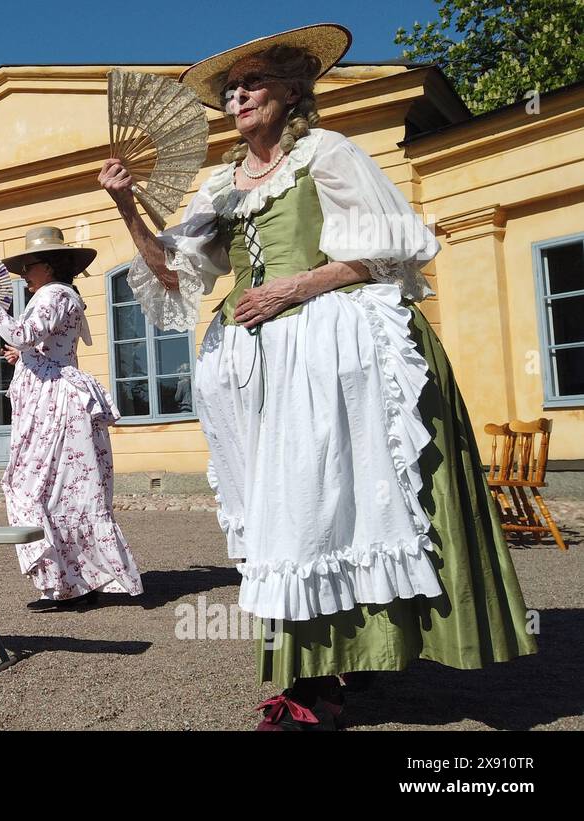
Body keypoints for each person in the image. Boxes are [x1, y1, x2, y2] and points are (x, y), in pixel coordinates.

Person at [100, 23, 536, 729]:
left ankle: (320, 678)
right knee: (287, 520)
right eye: (230, 89)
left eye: (254, 82)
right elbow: (173, 275)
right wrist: (126, 205)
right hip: (253, 364)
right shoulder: (221, 185)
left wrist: (294, 287)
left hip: (332, 347)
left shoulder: (326, 155)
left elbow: (391, 250)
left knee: (333, 505)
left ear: (296, 89)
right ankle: (326, 664)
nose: (238, 95)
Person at [0, 226, 144, 612]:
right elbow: (38, 345)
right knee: (63, 490)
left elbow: (25, 333)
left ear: (50, 266)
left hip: (54, 403)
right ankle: (76, 580)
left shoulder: (55, 294)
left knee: (34, 486)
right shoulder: (56, 296)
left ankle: (69, 582)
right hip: (49, 396)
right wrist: (23, 357)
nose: (24, 273)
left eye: (29, 265)